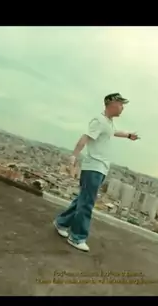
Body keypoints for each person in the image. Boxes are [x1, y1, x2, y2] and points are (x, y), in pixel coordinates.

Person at [53, 92, 140, 252]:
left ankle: (62, 223)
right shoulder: (99, 121)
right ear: (111, 103)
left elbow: (114, 132)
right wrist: (74, 156)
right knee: (87, 203)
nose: (122, 108)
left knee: (83, 200)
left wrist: (128, 135)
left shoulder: (108, 122)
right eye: (121, 104)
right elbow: (85, 137)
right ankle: (77, 237)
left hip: (100, 168)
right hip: (93, 166)